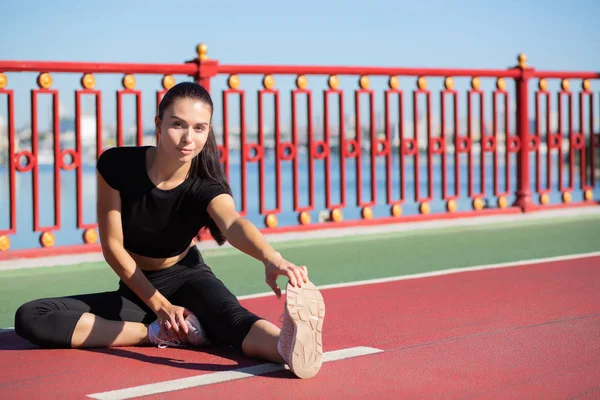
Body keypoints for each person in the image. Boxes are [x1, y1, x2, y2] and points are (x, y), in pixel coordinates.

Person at [14, 81, 326, 379]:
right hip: (137, 287)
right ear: (159, 124)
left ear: (207, 132)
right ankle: (159, 333)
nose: (188, 137)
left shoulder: (205, 185)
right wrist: (160, 308)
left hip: (188, 278)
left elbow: (233, 223)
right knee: (32, 317)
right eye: (178, 124)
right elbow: (113, 248)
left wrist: (271, 258)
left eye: (199, 128)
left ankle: (288, 347)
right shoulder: (117, 165)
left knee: (232, 320)